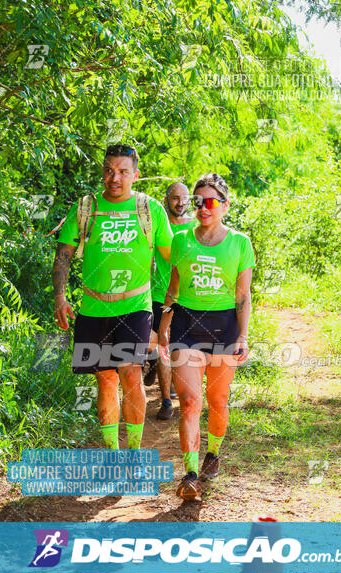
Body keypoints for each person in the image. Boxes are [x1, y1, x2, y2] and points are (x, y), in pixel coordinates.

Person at [52, 144, 172, 451]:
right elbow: (64, 253)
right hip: (93, 307)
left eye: (122, 171)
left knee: (131, 374)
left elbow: (173, 260)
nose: (114, 177)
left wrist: (170, 307)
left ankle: (133, 454)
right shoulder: (86, 207)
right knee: (105, 380)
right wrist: (60, 298)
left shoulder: (150, 210)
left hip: (135, 306)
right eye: (108, 170)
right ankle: (113, 454)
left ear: (135, 174)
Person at [158, 173, 254, 501]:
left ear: (225, 205)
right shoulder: (182, 239)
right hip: (186, 324)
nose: (203, 207)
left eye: (211, 201)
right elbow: (174, 285)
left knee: (217, 401)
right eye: (198, 201)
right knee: (189, 402)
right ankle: (190, 474)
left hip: (225, 327)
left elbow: (243, 296)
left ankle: (213, 452)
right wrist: (163, 323)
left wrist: (242, 335)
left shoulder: (240, 243)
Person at [146, 182, 196, 420]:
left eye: (184, 198)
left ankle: (184, 391)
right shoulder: (157, 225)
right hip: (160, 295)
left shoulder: (197, 226)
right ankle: (166, 400)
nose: (180, 202)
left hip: (189, 296)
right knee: (163, 345)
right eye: (175, 198)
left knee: (184, 347)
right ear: (166, 200)